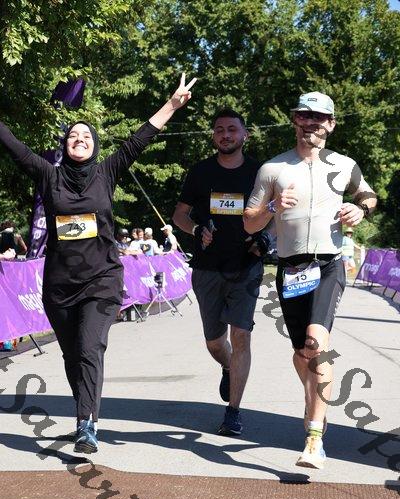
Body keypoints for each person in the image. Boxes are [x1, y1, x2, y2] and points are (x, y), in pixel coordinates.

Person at [0, 72, 196, 453]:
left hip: (102, 281)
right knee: (72, 354)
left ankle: (86, 423)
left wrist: (172, 105)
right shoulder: (49, 176)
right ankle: (83, 411)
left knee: (90, 347)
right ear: (65, 144)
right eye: (73, 135)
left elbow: (140, 138)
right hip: (59, 286)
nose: (79, 139)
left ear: (95, 145)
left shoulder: (107, 172)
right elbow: (15, 147)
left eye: (86, 136)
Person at [243, 91, 377, 468]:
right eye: (304, 116)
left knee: (317, 344)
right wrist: (272, 207)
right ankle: (313, 398)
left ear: (330, 124)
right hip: (291, 269)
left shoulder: (345, 165)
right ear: (295, 120)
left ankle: (314, 438)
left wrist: (360, 209)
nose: (311, 124)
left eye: (319, 118)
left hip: (328, 264)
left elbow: (368, 195)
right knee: (302, 352)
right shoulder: (273, 169)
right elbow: (249, 222)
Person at [173, 108, 264, 436]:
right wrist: (196, 229)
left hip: (246, 267)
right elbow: (179, 215)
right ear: (214, 136)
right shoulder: (200, 172)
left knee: (241, 336)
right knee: (215, 342)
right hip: (207, 268)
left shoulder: (259, 173)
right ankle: (227, 366)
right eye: (220, 130)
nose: (226, 135)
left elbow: (276, 214)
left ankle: (233, 412)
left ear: (244, 135)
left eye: (232, 129)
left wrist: (265, 239)